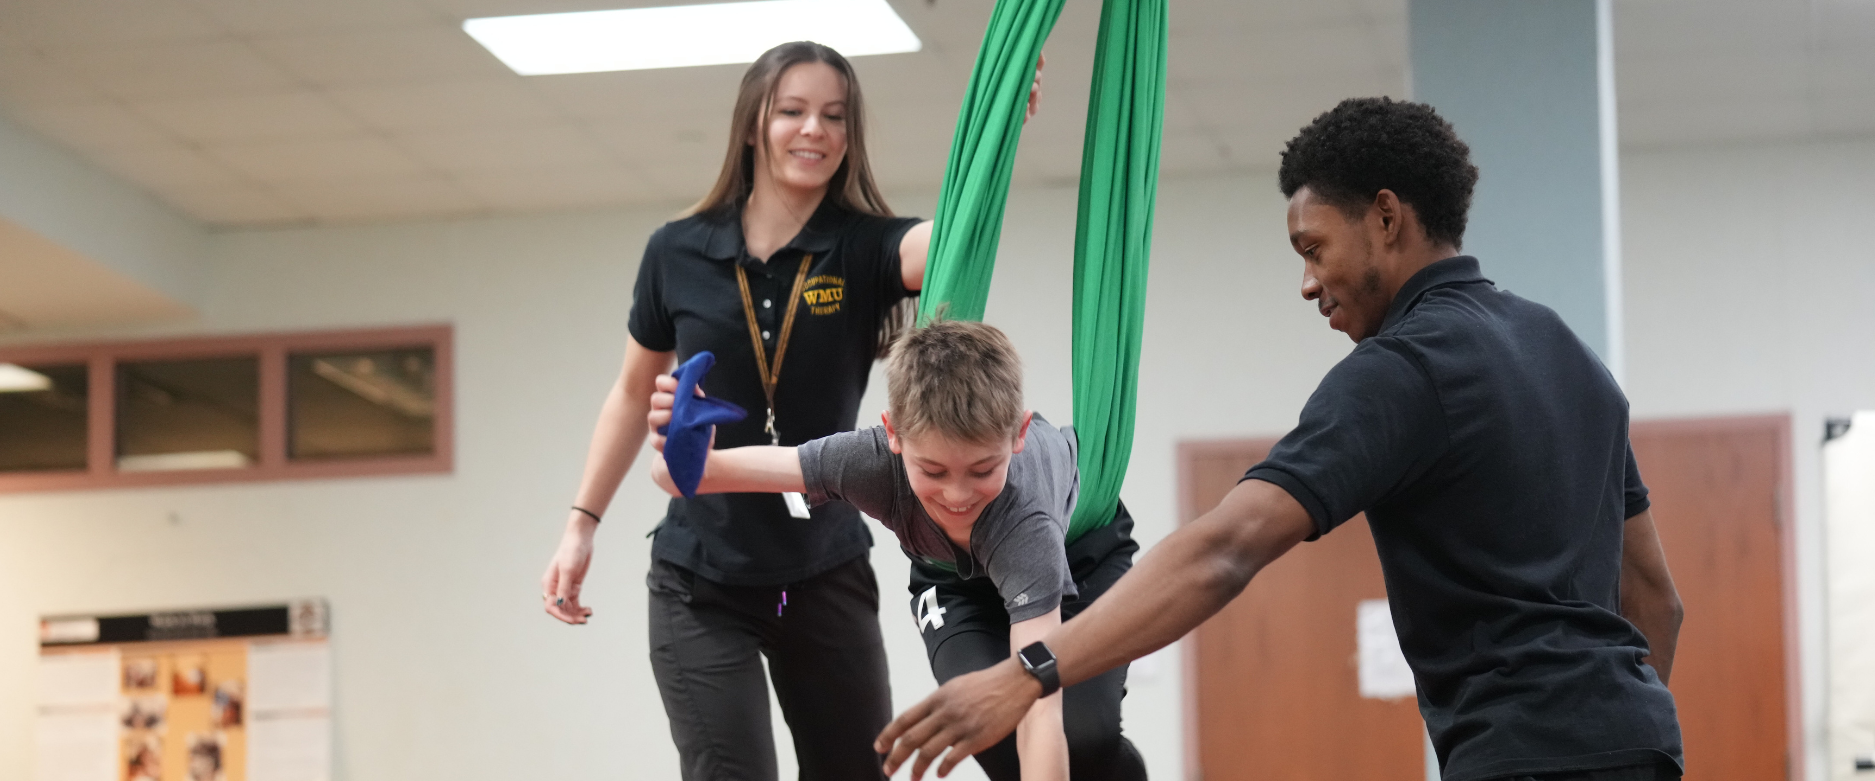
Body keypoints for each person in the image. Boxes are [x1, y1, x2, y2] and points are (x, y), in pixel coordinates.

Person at [875, 97, 1687, 781]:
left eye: (1313, 248)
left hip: (1526, 754)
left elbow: (1225, 548)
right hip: (1642, 736)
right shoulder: (1565, 349)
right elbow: (1656, 598)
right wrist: (1618, 729)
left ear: (1385, 216)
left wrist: (1027, 674)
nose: (1307, 283)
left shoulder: (1401, 369)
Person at [537, 41, 1041, 781]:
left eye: (834, 116)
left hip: (822, 568)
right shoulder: (677, 251)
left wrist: (999, 134)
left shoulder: (863, 247)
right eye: (793, 111)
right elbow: (628, 392)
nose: (815, 130)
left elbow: (959, 242)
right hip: (700, 576)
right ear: (753, 125)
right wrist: (580, 524)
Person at [648, 320, 1147, 781]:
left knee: (1081, 734)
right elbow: (685, 478)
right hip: (956, 578)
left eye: (980, 470)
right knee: (983, 727)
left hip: (1080, 555)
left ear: (1018, 434)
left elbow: (1039, 704)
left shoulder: (1025, 520)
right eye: (932, 472)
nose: (957, 496)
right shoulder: (866, 462)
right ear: (893, 435)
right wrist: (685, 447)